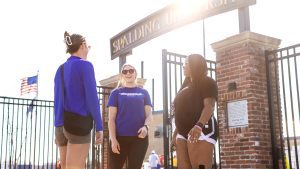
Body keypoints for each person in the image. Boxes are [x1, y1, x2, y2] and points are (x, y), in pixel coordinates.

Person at [54, 31, 103, 169]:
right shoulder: (85, 65)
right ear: (82, 46)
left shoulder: (60, 69)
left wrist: (58, 126)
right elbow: (92, 97)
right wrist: (99, 126)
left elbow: (57, 99)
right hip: (77, 125)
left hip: (60, 126)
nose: (88, 49)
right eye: (88, 46)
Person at [171, 54, 218, 169]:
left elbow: (209, 106)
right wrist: (175, 134)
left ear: (195, 65)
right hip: (182, 132)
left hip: (201, 129)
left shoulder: (207, 81)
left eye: (186, 63)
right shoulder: (186, 85)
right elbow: (182, 112)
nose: (183, 66)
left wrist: (199, 125)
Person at [108, 64, 152, 169]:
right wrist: (113, 140)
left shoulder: (144, 92)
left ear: (135, 73)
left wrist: (146, 127)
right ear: (122, 75)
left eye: (131, 70)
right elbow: (111, 119)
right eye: (125, 71)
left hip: (139, 139)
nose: (128, 73)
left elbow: (149, 115)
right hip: (119, 139)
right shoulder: (115, 93)